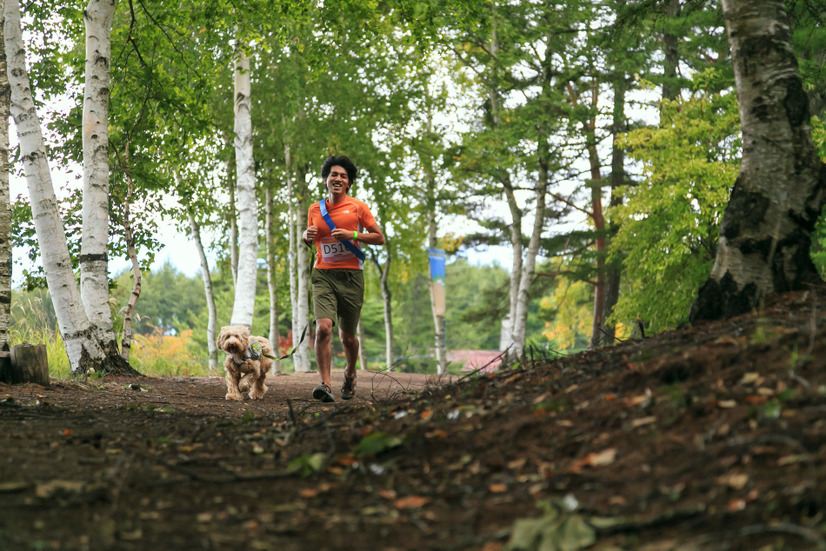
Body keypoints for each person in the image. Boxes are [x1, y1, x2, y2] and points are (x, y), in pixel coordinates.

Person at [302, 155, 384, 402]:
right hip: (323, 275)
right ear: (325, 179)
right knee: (324, 328)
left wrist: (354, 234)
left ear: (348, 183)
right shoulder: (315, 209)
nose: (338, 179)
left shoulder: (358, 207)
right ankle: (325, 384)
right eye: (333, 175)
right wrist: (306, 235)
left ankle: (350, 372)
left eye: (343, 176)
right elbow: (311, 239)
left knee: (347, 337)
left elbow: (379, 237)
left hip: (351, 277)